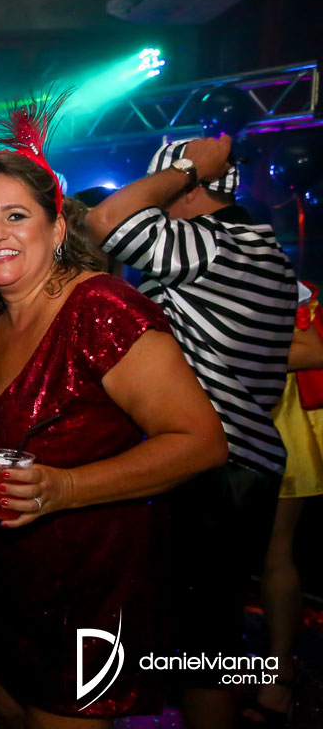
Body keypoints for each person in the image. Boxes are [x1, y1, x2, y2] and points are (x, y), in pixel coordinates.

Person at [0, 99, 228, 726]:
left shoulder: (101, 309)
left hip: (84, 598)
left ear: (56, 229)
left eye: (16, 216)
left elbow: (201, 441)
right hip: (1, 591)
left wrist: (66, 487)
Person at [86, 137, 297, 729]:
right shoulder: (260, 248)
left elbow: (106, 219)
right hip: (244, 465)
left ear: (187, 191)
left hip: (213, 470)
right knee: (207, 636)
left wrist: (184, 168)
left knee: (202, 647)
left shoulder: (207, 245)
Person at [245, 281, 323, 727]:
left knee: (275, 551)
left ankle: (279, 678)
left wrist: (215, 354)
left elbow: (311, 350)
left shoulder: (261, 266)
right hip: (217, 420)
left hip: (274, 420)